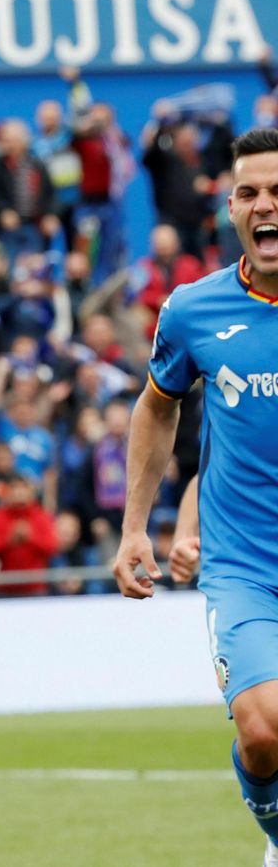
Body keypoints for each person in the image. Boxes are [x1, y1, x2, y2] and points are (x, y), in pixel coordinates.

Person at [113, 129, 278, 867]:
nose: (265, 205)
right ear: (230, 207)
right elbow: (157, 407)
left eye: (277, 192)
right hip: (246, 565)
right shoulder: (192, 312)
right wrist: (135, 529)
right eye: (250, 193)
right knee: (265, 728)